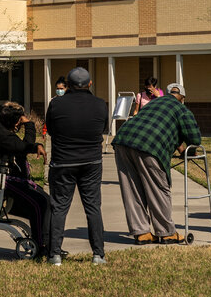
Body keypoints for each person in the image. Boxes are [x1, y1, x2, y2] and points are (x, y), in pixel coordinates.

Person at [111, 90, 201, 245]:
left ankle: (141, 233)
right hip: (149, 146)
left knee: (132, 188)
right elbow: (195, 138)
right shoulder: (182, 110)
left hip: (123, 140)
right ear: (183, 98)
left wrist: (178, 145)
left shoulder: (153, 103)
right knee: (158, 189)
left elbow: (153, 125)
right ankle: (166, 233)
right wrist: (189, 151)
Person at [45, 67, 108, 265]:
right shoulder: (100, 105)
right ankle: (98, 254)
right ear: (90, 84)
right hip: (92, 162)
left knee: (59, 207)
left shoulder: (56, 105)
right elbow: (103, 129)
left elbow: (52, 131)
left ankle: (54, 254)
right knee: (93, 208)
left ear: (69, 85)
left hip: (63, 162)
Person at [0, 102, 49, 259]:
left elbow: (21, 146)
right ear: (16, 121)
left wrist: (35, 145)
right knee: (39, 203)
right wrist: (30, 125)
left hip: (6, 177)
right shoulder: (1, 135)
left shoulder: (3, 131)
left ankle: (47, 242)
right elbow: (23, 146)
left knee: (44, 200)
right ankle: (41, 245)